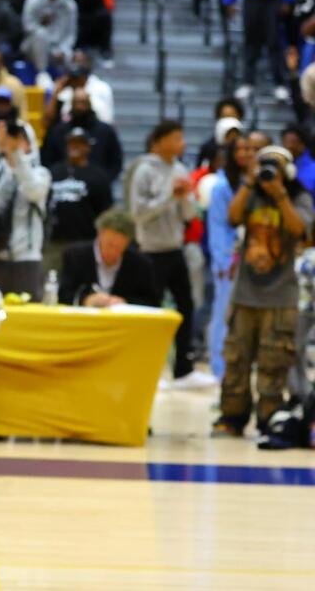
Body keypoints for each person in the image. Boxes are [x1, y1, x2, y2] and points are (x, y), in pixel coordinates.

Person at [214, 146, 314, 436]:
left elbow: (300, 231)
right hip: (245, 294)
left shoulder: (299, 198)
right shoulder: (250, 195)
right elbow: (232, 218)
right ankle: (231, 417)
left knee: (274, 363)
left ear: (289, 172)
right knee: (236, 359)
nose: (269, 172)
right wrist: (248, 182)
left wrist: (280, 195)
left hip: (281, 296)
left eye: (275, 167)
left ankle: (268, 418)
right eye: (264, 166)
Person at [129, 121, 211, 386]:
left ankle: (183, 369)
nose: (182, 144)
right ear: (159, 140)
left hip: (175, 248)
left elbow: (189, 215)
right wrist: (169, 195)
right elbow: (137, 213)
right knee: (151, 311)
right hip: (150, 251)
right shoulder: (143, 170)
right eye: (176, 138)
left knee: (186, 306)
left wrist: (186, 198)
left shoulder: (179, 169)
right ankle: (150, 368)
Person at [0, 119, 52, 299]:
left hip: (27, 258)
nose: (15, 142)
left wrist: (16, 154)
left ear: (30, 143)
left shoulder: (41, 173)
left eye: (21, 138)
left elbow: (33, 190)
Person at [207, 135, 256, 382]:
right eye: (240, 149)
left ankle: (245, 367)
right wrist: (224, 261)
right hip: (230, 260)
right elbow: (217, 227)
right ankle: (219, 369)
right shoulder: (221, 186)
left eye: (250, 149)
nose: (246, 153)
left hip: (257, 260)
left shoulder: (263, 182)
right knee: (223, 315)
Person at [59, 208, 161, 307]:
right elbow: (63, 295)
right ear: (100, 234)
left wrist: (125, 302)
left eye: (119, 247)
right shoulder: (76, 256)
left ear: (127, 243)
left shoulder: (140, 263)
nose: (113, 251)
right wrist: (86, 300)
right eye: (109, 244)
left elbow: (152, 301)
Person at [223, 0, 295, 102]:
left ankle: (279, 84)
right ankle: (248, 83)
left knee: (274, 42)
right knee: (250, 41)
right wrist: (229, 0)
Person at [45, 127, 114, 273]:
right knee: (51, 283)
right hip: (54, 241)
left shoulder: (98, 176)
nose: (75, 146)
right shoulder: (53, 172)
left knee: (81, 282)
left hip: (85, 242)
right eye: (71, 143)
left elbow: (106, 212)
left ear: (88, 147)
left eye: (80, 143)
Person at [40, 88, 123, 181]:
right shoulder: (58, 131)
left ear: (89, 103)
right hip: (62, 187)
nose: (79, 106)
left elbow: (116, 161)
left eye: (83, 102)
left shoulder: (106, 131)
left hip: (96, 187)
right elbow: (47, 159)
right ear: (71, 104)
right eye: (77, 102)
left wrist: (103, 182)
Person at [21, 0, 78, 87]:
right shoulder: (33, 1)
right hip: (34, 47)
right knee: (40, 34)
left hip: (59, 48)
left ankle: (69, 87)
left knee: (72, 58)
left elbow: (71, 33)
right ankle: (42, 74)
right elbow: (27, 26)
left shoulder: (69, 5)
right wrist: (40, 23)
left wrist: (63, 49)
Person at [197, 98, 247, 170]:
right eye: (224, 117)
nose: (229, 121)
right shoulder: (208, 148)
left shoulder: (247, 144)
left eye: (232, 116)